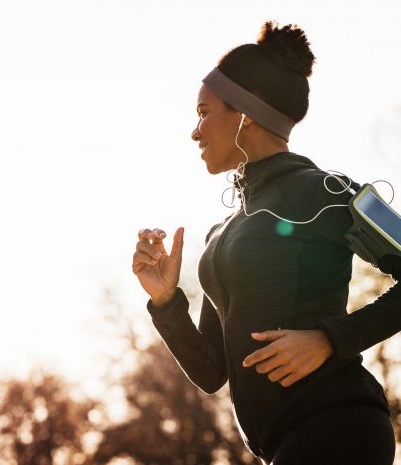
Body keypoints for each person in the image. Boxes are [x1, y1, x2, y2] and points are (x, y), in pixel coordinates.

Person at [132, 21, 399, 465]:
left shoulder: (326, 191)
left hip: (340, 427)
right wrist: (166, 301)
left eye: (203, 113)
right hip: (281, 446)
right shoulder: (222, 235)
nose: (195, 132)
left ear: (246, 112)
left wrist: (330, 339)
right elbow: (212, 371)